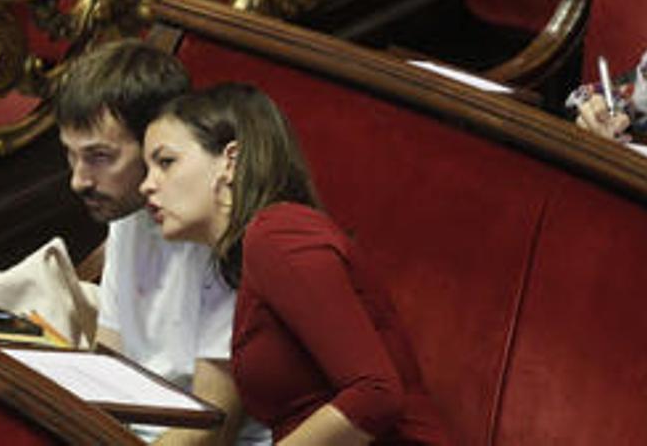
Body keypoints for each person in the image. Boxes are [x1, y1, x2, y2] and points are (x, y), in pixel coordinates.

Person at [140, 83, 449, 445]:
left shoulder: (278, 234)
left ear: (231, 160)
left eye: (165, 162)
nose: (147, 185)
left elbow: (376, 393)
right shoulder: (254, 250)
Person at [54, 40, 269, 445]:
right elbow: (111, 364)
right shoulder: (128, 211)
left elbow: (211, 431)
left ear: (157, 142)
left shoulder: (225, 235)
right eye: (71, 155)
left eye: (100, 157)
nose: (78, 180)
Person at [567, 50, 647, 144]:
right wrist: (591, 93)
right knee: (592, 105)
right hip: (606, 117)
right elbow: (607, 87)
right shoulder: (632, 78)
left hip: (625, 130)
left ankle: (605, 137)